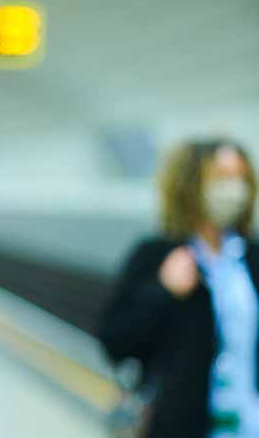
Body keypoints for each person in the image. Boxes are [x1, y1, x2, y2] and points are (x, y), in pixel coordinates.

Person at [99, 139, 259, 438]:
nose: (234, 189)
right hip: (181, 426)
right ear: (191, 184)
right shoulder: (156, 254)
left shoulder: (252, 258)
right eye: (221, 178)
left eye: (240, 178)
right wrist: (163, 290)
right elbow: (115, 341)